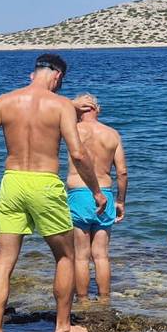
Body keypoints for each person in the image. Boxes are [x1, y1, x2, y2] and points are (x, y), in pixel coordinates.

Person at [0, 54, 105, 332]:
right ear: (57, 76)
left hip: (12, 182)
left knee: (4, 262)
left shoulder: (4, 101)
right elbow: (78, 154)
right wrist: (96, 191)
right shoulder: (60, 106)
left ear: (33, 74)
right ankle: (63, 327)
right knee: (66, 256)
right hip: (44, 184)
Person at [65, 93, 126, 301]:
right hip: (106, 193)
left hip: (78, 193)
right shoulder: (112, 134)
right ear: (97, 109)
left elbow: (49, 111)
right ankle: (104, 299)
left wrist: (70, 108)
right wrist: (120, 201)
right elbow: (122, 172)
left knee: (81, 256)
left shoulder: (72, 130)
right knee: (101, 255)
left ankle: (82, 300)